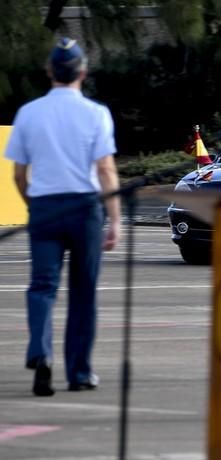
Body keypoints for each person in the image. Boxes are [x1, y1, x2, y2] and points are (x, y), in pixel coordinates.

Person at [4, 37, 121, 396]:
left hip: (44, 207)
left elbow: (18, 175)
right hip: (84, 209)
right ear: (83, 72)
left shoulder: (28, 113)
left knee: (42, 286)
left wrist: (32, 205)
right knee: (83, 293)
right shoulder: (96, 113)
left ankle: (41, 353)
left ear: (49, 71)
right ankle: (79, 372)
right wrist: (114, 218)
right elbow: (105, 169)